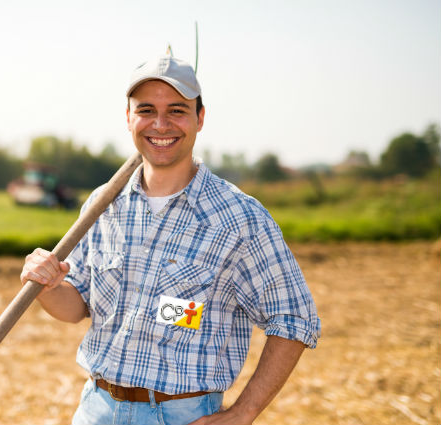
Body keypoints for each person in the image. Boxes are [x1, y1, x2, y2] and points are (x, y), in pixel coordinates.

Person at [20, 54, 321, 425]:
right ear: (128, 118)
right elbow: (76, 308)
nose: (160, 124)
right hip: (96, 408)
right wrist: (49, 286)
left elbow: (294, 319)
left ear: (200, 118)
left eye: (176, 110)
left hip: (181, 415)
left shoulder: (239, 217)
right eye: (146, 110)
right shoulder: (103, 206)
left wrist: (244, 412)